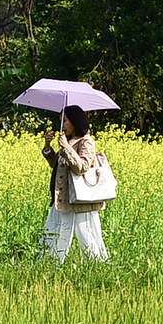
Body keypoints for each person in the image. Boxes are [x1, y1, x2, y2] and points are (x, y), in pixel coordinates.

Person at [40, 104, 110, 263]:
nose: (62, 126)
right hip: (64, 196)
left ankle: (96, 266)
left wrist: (65, 147)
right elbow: (57, 165)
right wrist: (48, 147)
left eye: (65, 121)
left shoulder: (86, 142)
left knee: (85, 233)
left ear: (75, 122)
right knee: (54, 231)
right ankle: (50, 263)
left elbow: (82, 167)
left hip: (80, 198)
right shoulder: (70, 140)